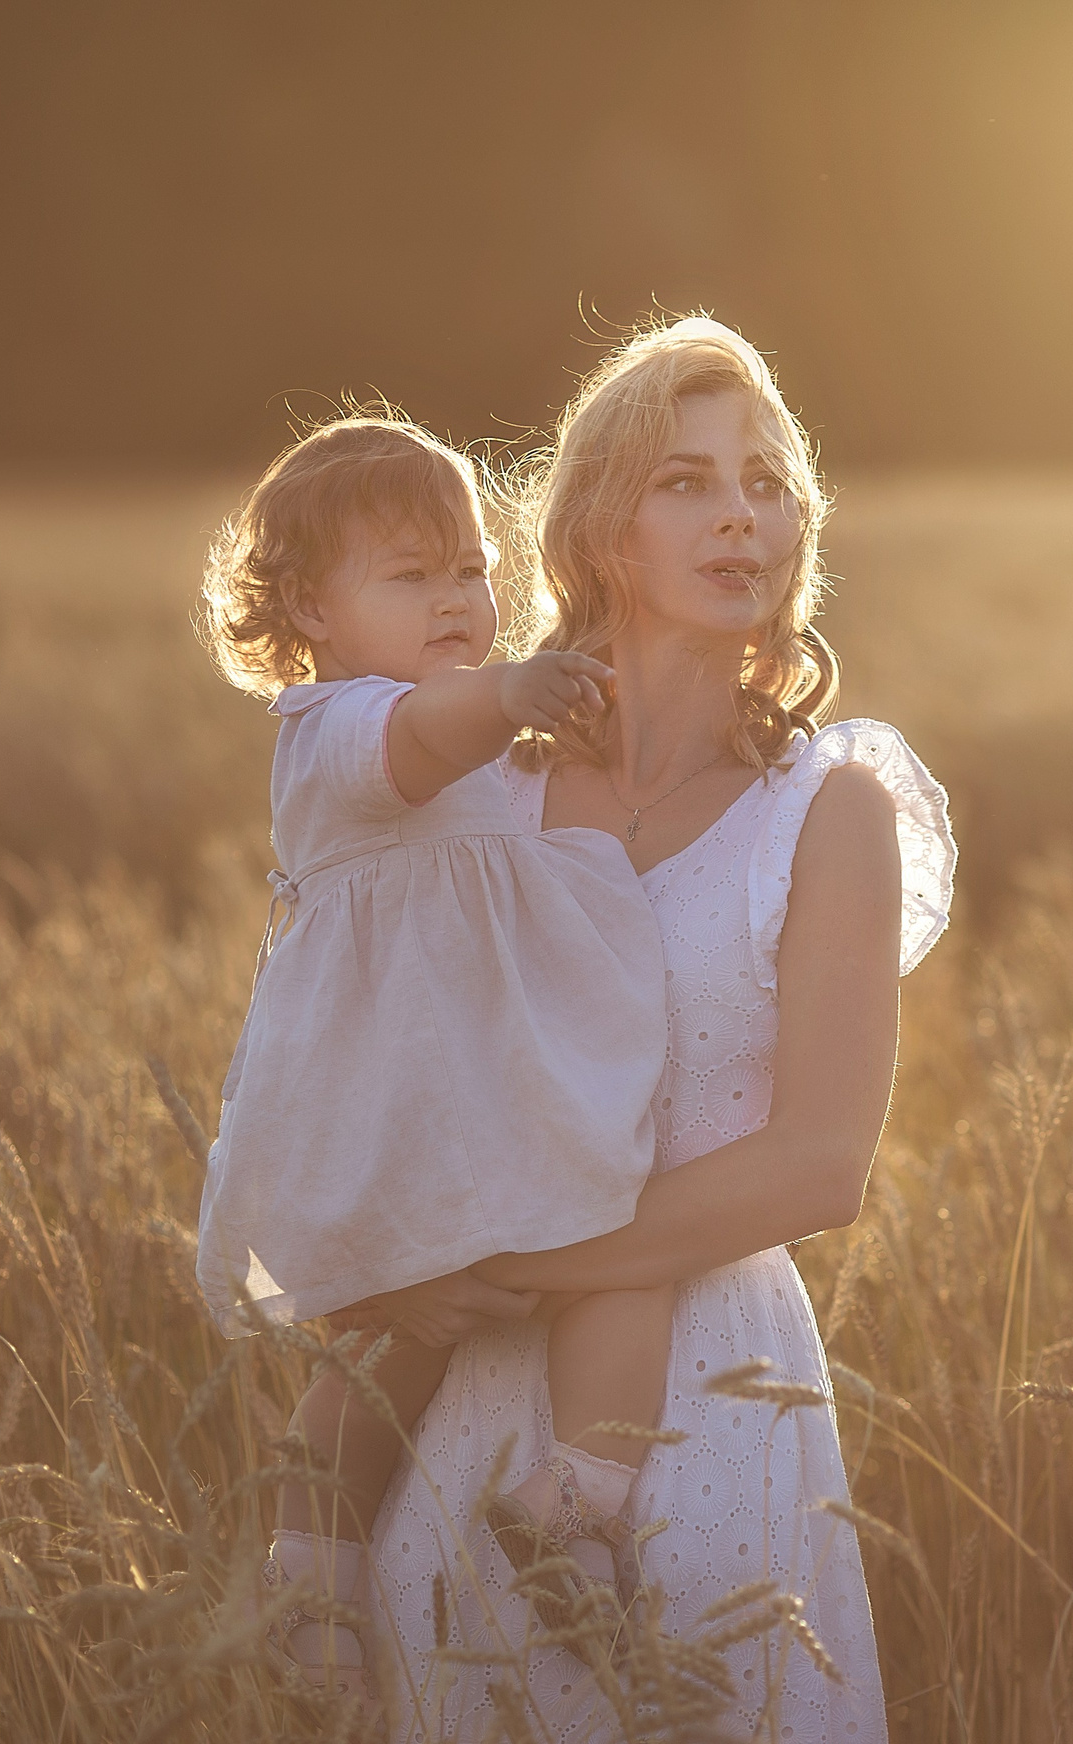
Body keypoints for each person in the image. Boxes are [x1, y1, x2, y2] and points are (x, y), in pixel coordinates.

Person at [342, 317, 954, 1740]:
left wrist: (519, 1257)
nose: (741, 512)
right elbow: (374, 1097)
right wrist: (404, 1279)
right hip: (475, 1392)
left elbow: (818, 1165)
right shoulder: (476, 799)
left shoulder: (830, 812)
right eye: (687, 481)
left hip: (712, 1400)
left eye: (765, 480)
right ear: (602, 524)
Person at [193, 415, 689, 1704]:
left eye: (469, 568)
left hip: (490, 1098)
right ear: (307, 607)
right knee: (376, 1358)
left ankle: (574, 1498)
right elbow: (420, 740)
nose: (458, 596)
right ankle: (308, 1588)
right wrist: (513, 691)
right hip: (397, 1106)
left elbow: (483, 766)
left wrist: (548, 719)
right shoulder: (333, 729)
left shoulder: (463, 732)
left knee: (613, 1238)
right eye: (410, 577)